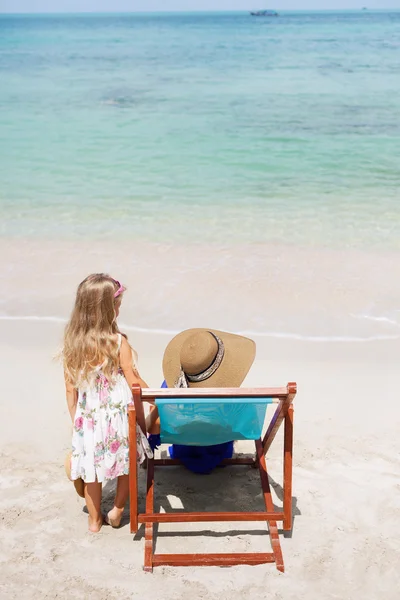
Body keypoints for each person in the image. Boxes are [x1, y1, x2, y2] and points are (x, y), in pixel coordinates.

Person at [63, 273, 152, 533]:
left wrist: (76, 421)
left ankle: (94, 521)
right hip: (120, 414)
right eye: (117, 305)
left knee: (91, 468)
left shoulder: (74, 345)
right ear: (106, 310)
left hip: (89, 418)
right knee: (126, 462)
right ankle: (117, 511)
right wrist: (154, 396)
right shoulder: (118, 342)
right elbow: (133, 379)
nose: (119, 309)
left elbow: (70, 390)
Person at [149, 328, 256, 474]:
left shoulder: (169, 387)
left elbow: (154, 426)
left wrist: (156, 412)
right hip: (221, 451)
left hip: (183, 450)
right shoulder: (229, 393)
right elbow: (248, 423)